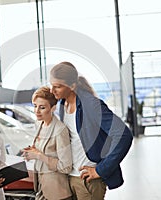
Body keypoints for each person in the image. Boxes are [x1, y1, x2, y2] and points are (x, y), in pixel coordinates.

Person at [49, 61, 133, 199]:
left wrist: (100, 170)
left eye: (57, 86)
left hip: (88, 181)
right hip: (70, 178)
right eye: (51, 85)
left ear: (72, 86)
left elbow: (123, 135)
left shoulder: (91, 105)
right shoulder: (63, 104)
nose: (52, 91)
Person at [22, 86, 73, 200]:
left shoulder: (60, 130)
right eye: (35, 106)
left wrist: (39, 156)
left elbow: (66, 166)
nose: (37, 111)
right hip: (41, 188)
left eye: (42, 107)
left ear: (53, 108)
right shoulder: (39, 124)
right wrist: (32, 151)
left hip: (57, 193)